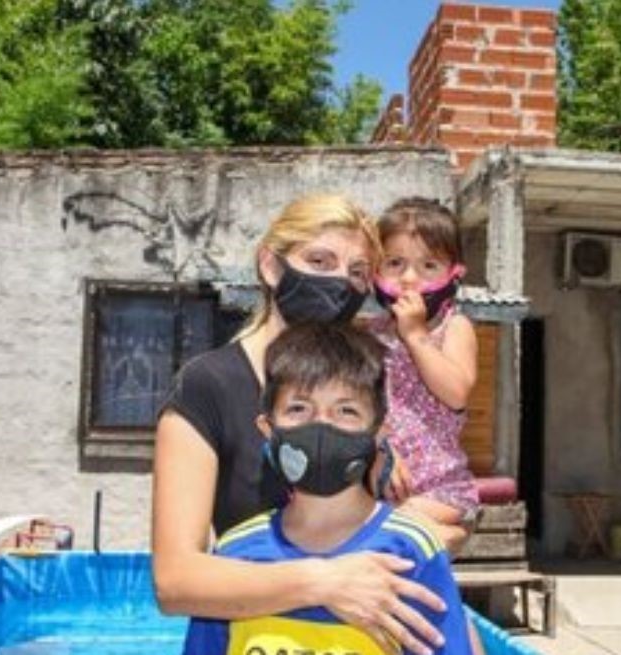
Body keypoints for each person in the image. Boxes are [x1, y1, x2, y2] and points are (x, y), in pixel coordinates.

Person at [152, 194, 450, 655]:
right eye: (319, 261)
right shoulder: (207, 386)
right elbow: (175, 580)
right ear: (271, 266)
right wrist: (324, 583)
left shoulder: (364, 381)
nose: (338, 282)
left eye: (356, 272)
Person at [182, 323, 471, 655]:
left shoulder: (411, 550)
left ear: (379, 433)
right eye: (298, 409)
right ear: (267, 428)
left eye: (346, 411)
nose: (321, 426)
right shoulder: (235, 552)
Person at [367, 197, 479, 551]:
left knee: (392, 530)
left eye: (428, 265)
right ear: (375, 271)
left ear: (454, 274)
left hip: (438, 488)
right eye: (395, 263)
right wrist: (378, 444)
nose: (409, 279)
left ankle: (437, 538)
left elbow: (456, 392)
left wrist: (415, 335)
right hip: (377, 480)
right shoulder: (368, 335)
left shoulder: (454, 327)